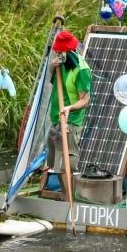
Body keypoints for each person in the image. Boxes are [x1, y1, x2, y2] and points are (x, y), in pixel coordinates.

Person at [37, 30, 91, 191]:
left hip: (70, 122)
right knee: (55, 163)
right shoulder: (60, 64)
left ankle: (70, 201)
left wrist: (69, 108)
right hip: (56, 118)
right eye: (57, 52)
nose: (58, 55)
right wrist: (53, 69)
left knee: (66, 164)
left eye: (60, 52)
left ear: (69, 51)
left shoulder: (81, 70)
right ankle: (64, 195)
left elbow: (85, 100)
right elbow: (55, 85)